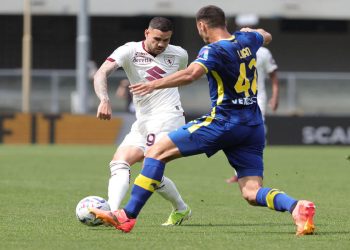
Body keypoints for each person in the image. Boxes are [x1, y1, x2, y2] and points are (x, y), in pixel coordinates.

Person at [90, 5, 315, 236]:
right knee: (251, 192)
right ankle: (296, 206)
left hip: (224, 122)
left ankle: (127, 216)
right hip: (252, 125)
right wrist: (254, 30)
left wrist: (152, 84)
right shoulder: (248, 39)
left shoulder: (213, 50)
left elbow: (191, 74)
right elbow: (266, 35)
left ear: (202, 26)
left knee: (155, 152)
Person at [92, 17, 191, 226]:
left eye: (166, 40)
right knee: (121, 162)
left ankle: (112, 212)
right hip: (143, 120)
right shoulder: (129, 51)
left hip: (168, 117)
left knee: (150, 167)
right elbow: (101, 73)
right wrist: (104, 99)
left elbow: (182, 77)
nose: (162, 44)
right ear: (146, 33)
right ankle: (181, 209)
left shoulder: (179, 54)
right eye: (157, 39)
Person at [226, 16, 279, 184]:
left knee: (256, 131)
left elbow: (274, 76)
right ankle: (240, 171)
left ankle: (253, 170)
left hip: (258, 97)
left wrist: (275, 95)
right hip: (236, 99)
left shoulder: (263, 51)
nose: (246, 28)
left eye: (249, 26)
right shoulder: (231, 47)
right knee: (237, 133)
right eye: (242, 26)